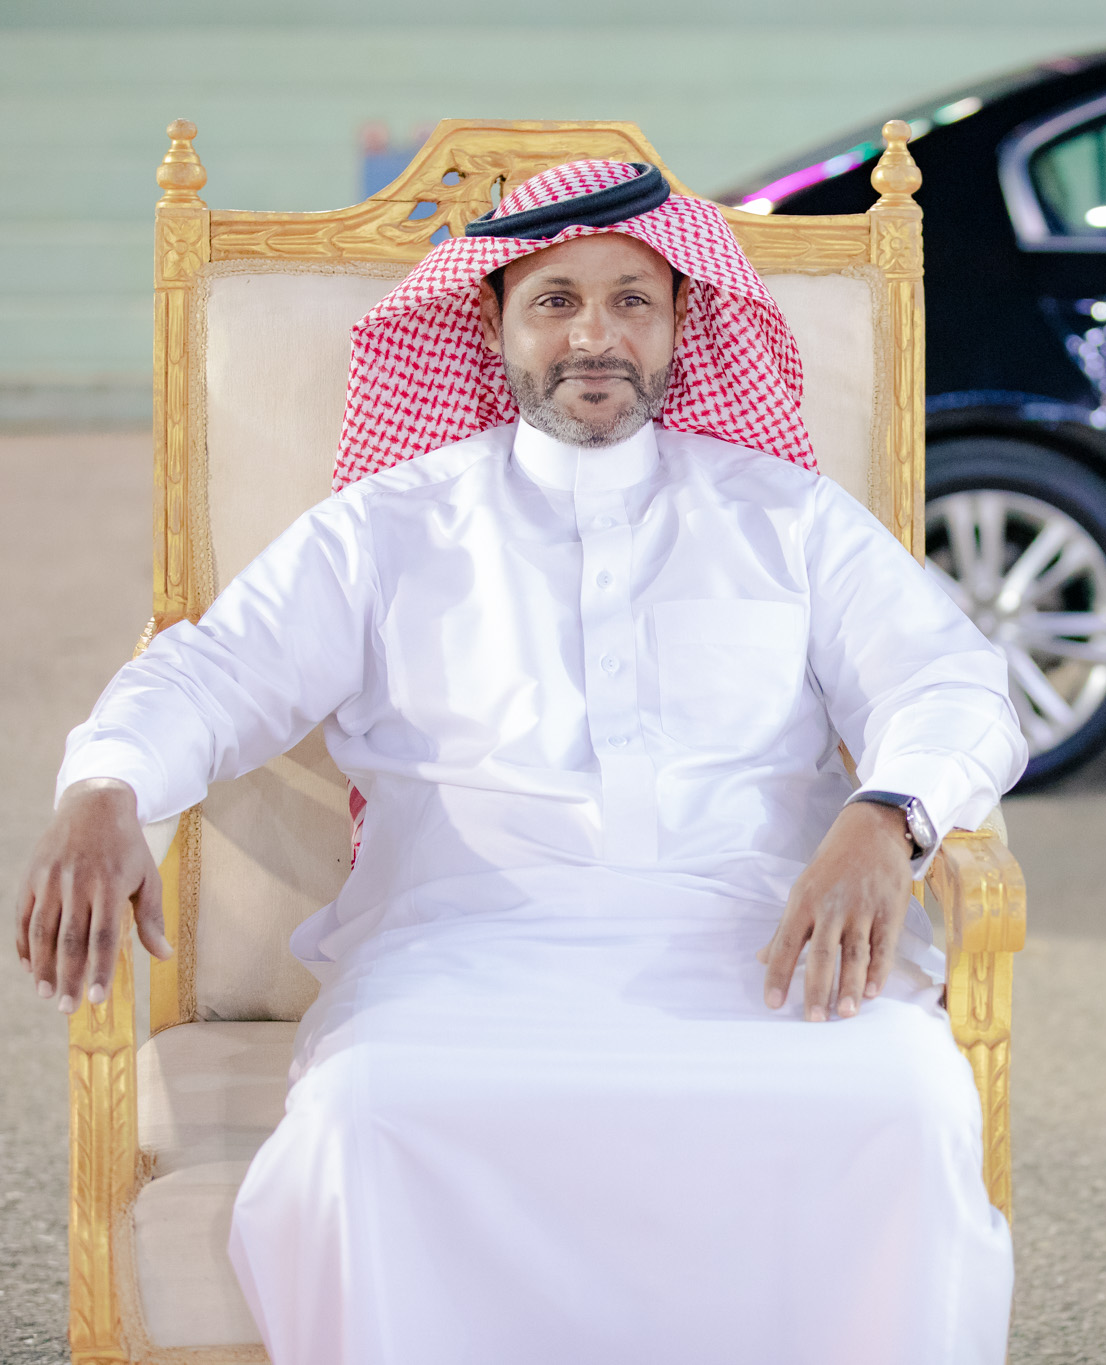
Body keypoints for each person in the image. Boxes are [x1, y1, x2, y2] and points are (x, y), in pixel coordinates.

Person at [15, 160, 1022, 1364]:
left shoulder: (789, 518)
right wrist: (106, 784)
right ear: (489, 324)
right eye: (554, 301)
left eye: (631, 300)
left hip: (758, 940)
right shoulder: (388, 527)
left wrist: (888, 814)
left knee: (902, 1101)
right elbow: (212, 675)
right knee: (366, 1114)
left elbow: (948, 681)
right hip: (463, 952)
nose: (594, 336)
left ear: (682, 322)